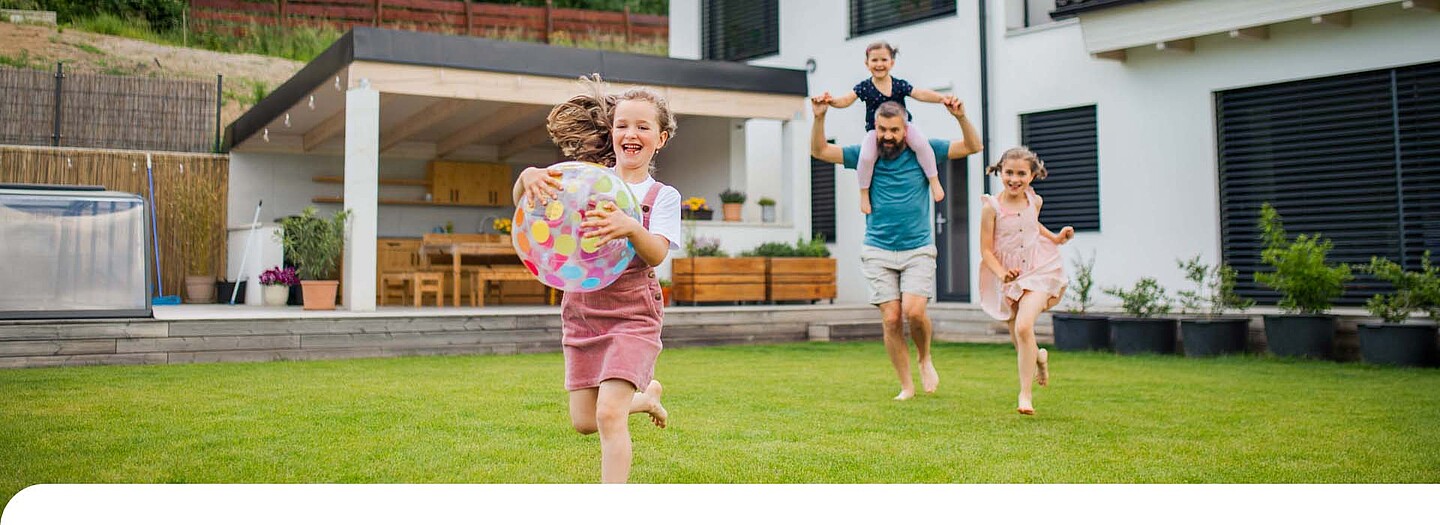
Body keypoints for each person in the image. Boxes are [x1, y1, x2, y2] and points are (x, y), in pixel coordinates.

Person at [513, 76, 682, 482]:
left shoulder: (662, 196)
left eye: (643, 127)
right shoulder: (583, 179)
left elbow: (656, 253)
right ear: (612, 131)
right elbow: (529, 198)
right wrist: (529, 175)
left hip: (633, 313)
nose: (631, 134)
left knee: (608, 415)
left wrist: (630, 226)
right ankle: (645, 400)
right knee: (585, 420)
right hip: (583, 310)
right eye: (623, 125)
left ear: (660, 139)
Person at [810, 94, 982, 400]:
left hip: (917, 247)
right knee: (891, 318)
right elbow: (820, 151)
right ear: (875, 127)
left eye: (894, 130)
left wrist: (960, 117)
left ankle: (924, 357)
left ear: (906, 130)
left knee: (914, 313)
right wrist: (820, 117)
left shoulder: (924, 151)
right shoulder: (866, 154)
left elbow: (972, 147)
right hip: (877, 248)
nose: (888, 136)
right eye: (882, 130)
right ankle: (906, 385)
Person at [978, 147, 1075, 416]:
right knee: (1020, 339)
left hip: (1039, 270)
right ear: (1001, 172)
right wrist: (1001, 274)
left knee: (1023, 327)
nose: (1014, 179)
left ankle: (1025, 395)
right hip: (1008, 275)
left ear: (1032, 176)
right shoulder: (991, 208)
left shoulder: (1035, 200)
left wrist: (1056, 238)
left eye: (1021, 173)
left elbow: (1034, 226)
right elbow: (986, 250)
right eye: (1009, 172)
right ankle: (1039, 357)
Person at [819, 41, 947, 215]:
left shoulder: (899, 85)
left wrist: (942, 99)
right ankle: (864, 193)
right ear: (867, 64)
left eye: (884, 60)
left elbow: (920, 94)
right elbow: (846, 100)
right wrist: (831, 101)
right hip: (875, 131)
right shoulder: (864, 87)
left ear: (892, 63)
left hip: (903, 127)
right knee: (865, 157)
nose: (879, 64)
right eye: (874, 60)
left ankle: (934, 180)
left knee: (922, 144)